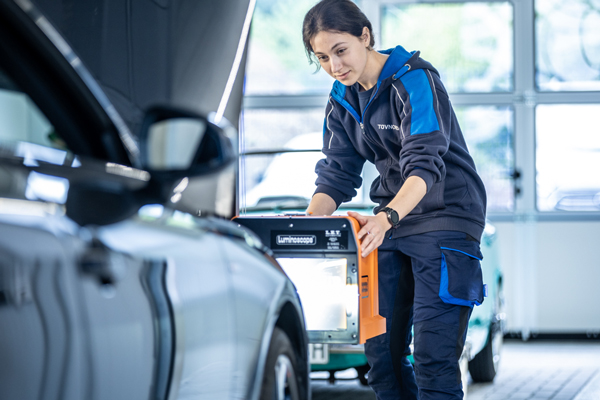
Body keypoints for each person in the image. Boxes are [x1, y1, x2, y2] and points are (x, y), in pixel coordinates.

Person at [302, 1, 487, 399]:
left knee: (432, 358)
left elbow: (425, 164)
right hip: (390, 223)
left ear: (365, 37)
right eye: (322, 57)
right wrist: (307, 224)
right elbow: (337, 170)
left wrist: (386, 216)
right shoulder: (342, 97)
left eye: (340, 50)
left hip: (445, 217)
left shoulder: (414, 78)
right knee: (381, 355)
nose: (334, 66)